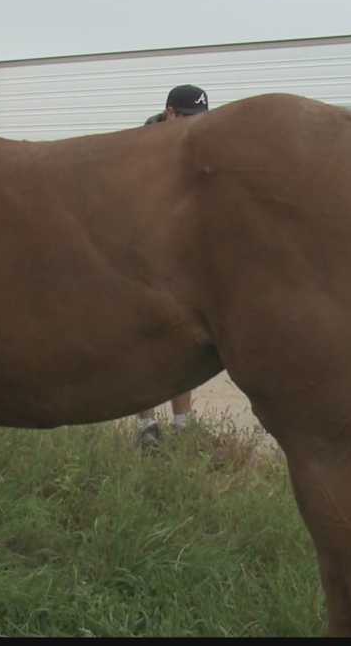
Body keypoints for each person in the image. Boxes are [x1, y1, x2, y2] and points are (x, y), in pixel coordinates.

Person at [137, 84, 209, 447]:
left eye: (200, 119)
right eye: (188, 118)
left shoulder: (197, 145)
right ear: (170, 113)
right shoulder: (137, 148)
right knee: (141, 345)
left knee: (183, 343)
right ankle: (146, 428)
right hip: (141, 258)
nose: (194, 126)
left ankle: (183, 425)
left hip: (180, 259)